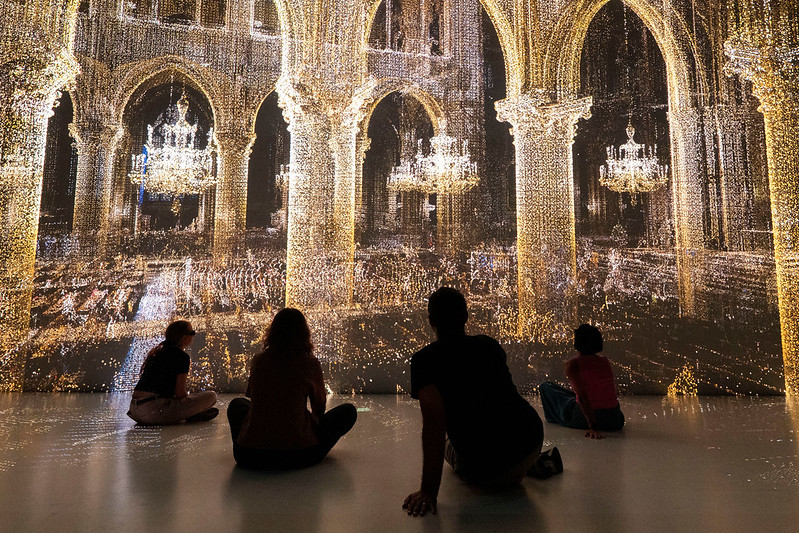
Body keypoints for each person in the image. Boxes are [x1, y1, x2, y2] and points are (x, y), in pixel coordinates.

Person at [403, 287, 561, 518]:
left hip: (488, 471)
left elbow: (434, 428)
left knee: (449, 445)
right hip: (531, 441)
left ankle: (516, 472)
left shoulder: (424, 361)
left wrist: (428, 491)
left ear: (430, 321)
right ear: (465, 317)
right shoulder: (489, 345)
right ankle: (530, 466)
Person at [226, 308, 357, 469]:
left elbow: (253, 398)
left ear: (272, 332)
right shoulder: (310, 364)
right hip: (299, 455)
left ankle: (251, 440)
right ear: (304, 334)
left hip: (248, 455)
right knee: (348, 411)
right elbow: (319, 408)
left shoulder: (259, 360)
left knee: (237, 404)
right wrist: (305, 425)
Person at [539, 324, 625, 439]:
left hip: (587, 419)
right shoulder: (604, 361)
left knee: (546, 387)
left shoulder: (573, 365)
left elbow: (583, 397)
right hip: (615, 419)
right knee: (570, 395)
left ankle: (553, 417)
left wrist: (593, 427)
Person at [127, 320, 218, 425]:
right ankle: (191, 414)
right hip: (155, 412)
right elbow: (180, 394)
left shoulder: (156, 352)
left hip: (134, 410)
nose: (193, 336)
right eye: (192, 333)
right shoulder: (182, 357)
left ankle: (189, 413)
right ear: (184, 337)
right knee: (211, 396)